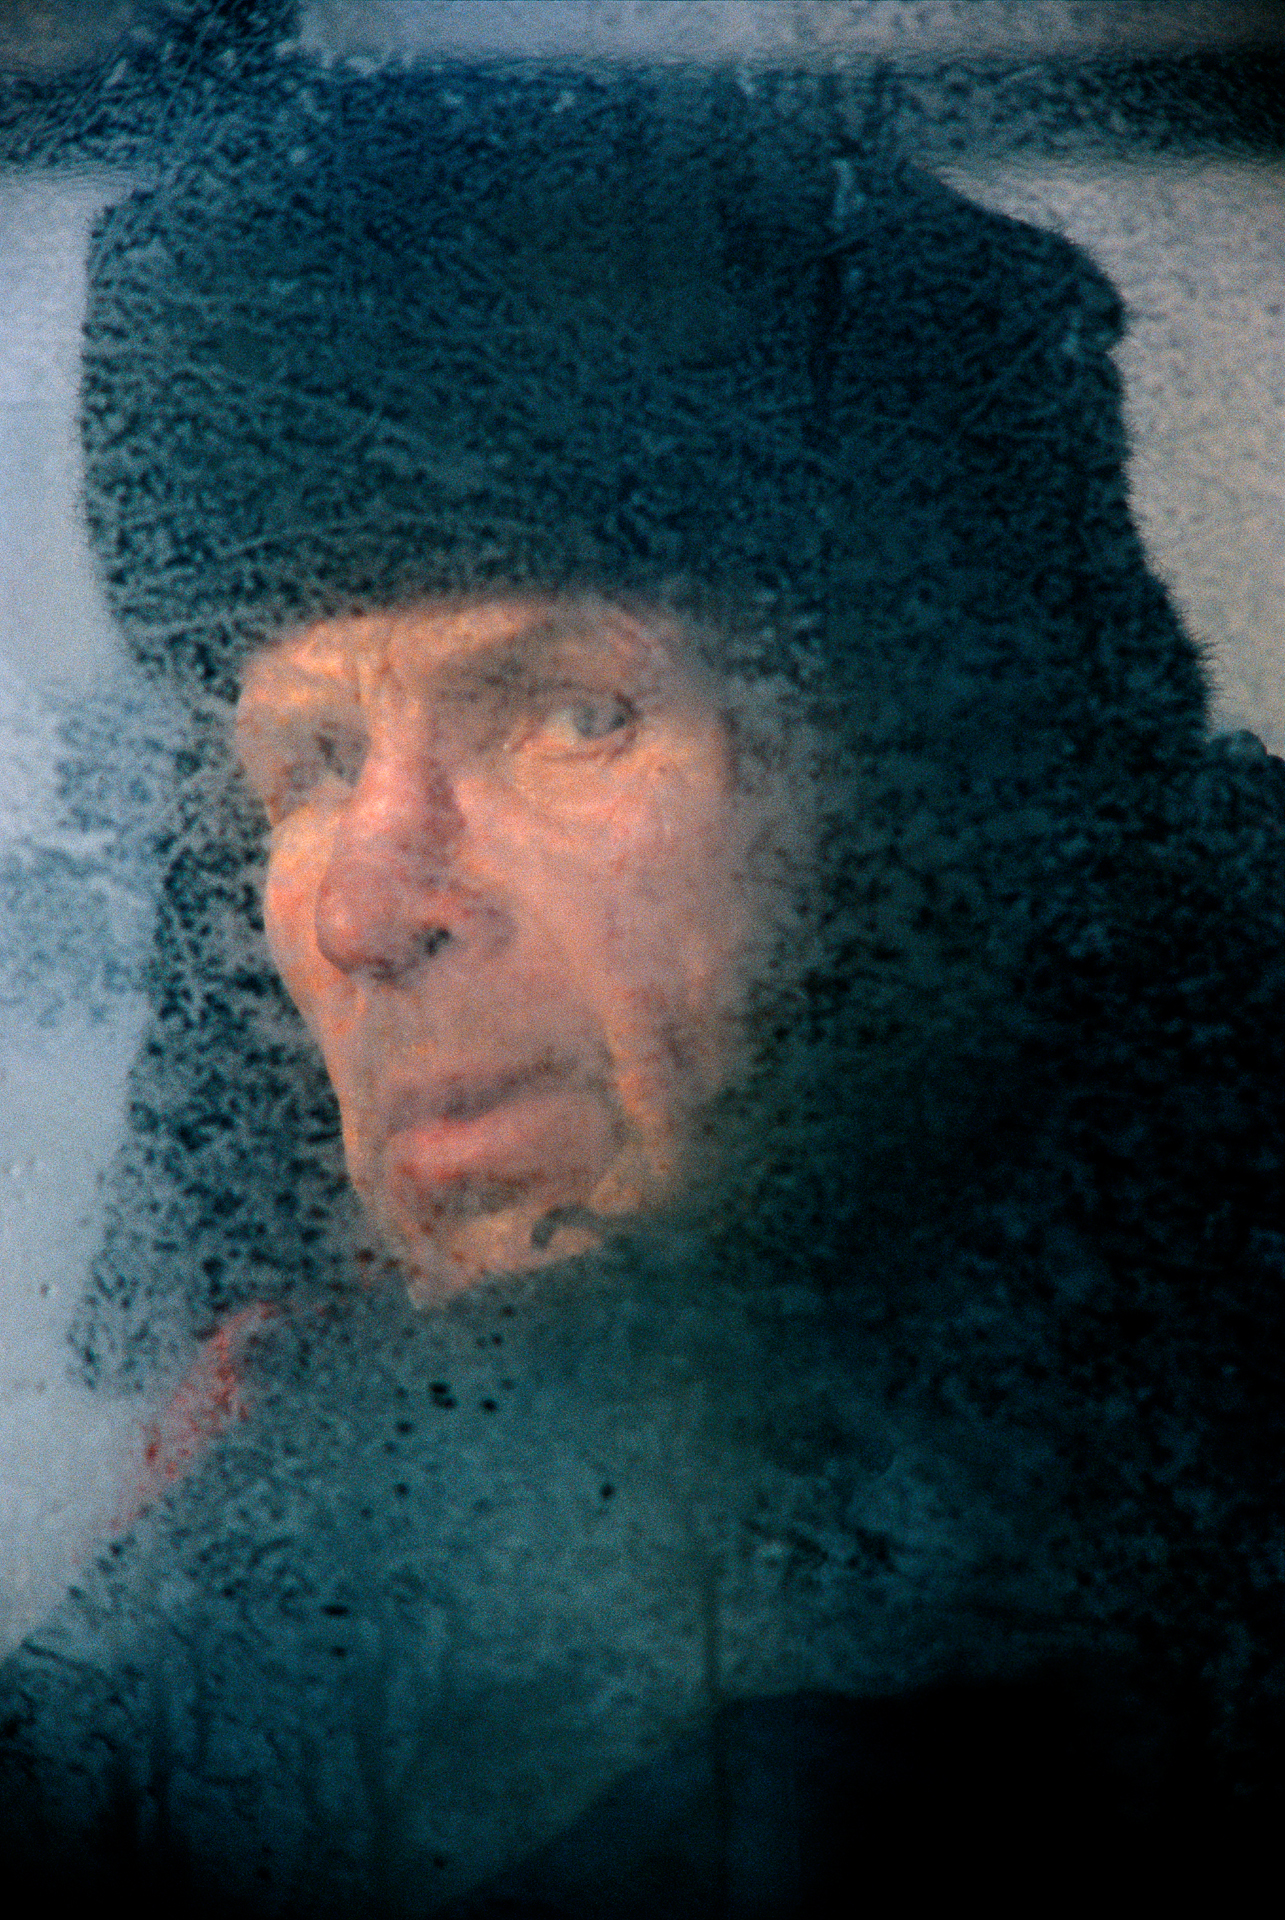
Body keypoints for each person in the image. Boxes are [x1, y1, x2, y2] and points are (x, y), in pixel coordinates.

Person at [2, 59, 1283, 1916]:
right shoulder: (326, 1453)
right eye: (301, 764)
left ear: (915, 803)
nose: (365, 901)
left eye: (566, 712)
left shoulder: (1023, 1622)